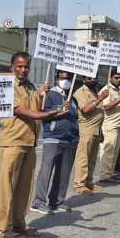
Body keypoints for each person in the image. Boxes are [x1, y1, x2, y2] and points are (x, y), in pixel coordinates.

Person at [0, 52, 59, 238]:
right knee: (8, 186)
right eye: (19, 66)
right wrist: (47, 115)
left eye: (26, 66)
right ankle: (4, 227)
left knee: (24, 186)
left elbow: (36, 106)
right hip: (12, 140)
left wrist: (42, 94)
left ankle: (19, 223)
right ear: (11, 66)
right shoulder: (7, 85)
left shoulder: (30, 86)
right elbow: (21, 110)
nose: (23, 70)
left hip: (29, 140)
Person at [31, 71, 79, 214]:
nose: (66, 81)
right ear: (57, 79)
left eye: (69, 78)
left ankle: (57, 201)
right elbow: (42, 112)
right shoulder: (50, 94)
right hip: (53, 137)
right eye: (63, 78)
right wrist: (60, 109)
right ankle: (38, 202)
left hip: (70, 139)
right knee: (46, 171)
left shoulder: (73, 98)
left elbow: (76, 116)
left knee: (63, 173)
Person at [72, 75, 109, 195]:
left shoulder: (94, 91)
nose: (92, 80)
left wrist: (101, 132)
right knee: (83, 158)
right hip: (86, 130)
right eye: (89, 78)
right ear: (84, 80)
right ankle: (80, 184)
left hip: (96, 129)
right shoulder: (80, 92)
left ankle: (88, 182)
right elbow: (86, 109)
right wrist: (100, 99)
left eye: (94, 78)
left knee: (92, 159)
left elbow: (98, 112)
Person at [96, 70, 120, 186]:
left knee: (114, 152)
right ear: (110, 77)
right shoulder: (107, 90)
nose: (119, 80)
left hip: (119, 125)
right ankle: (104, 175)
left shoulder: (118, 90)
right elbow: (106, 106)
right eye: (116, 78)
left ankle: (109, 174)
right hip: (110, 125)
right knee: (108, 151)